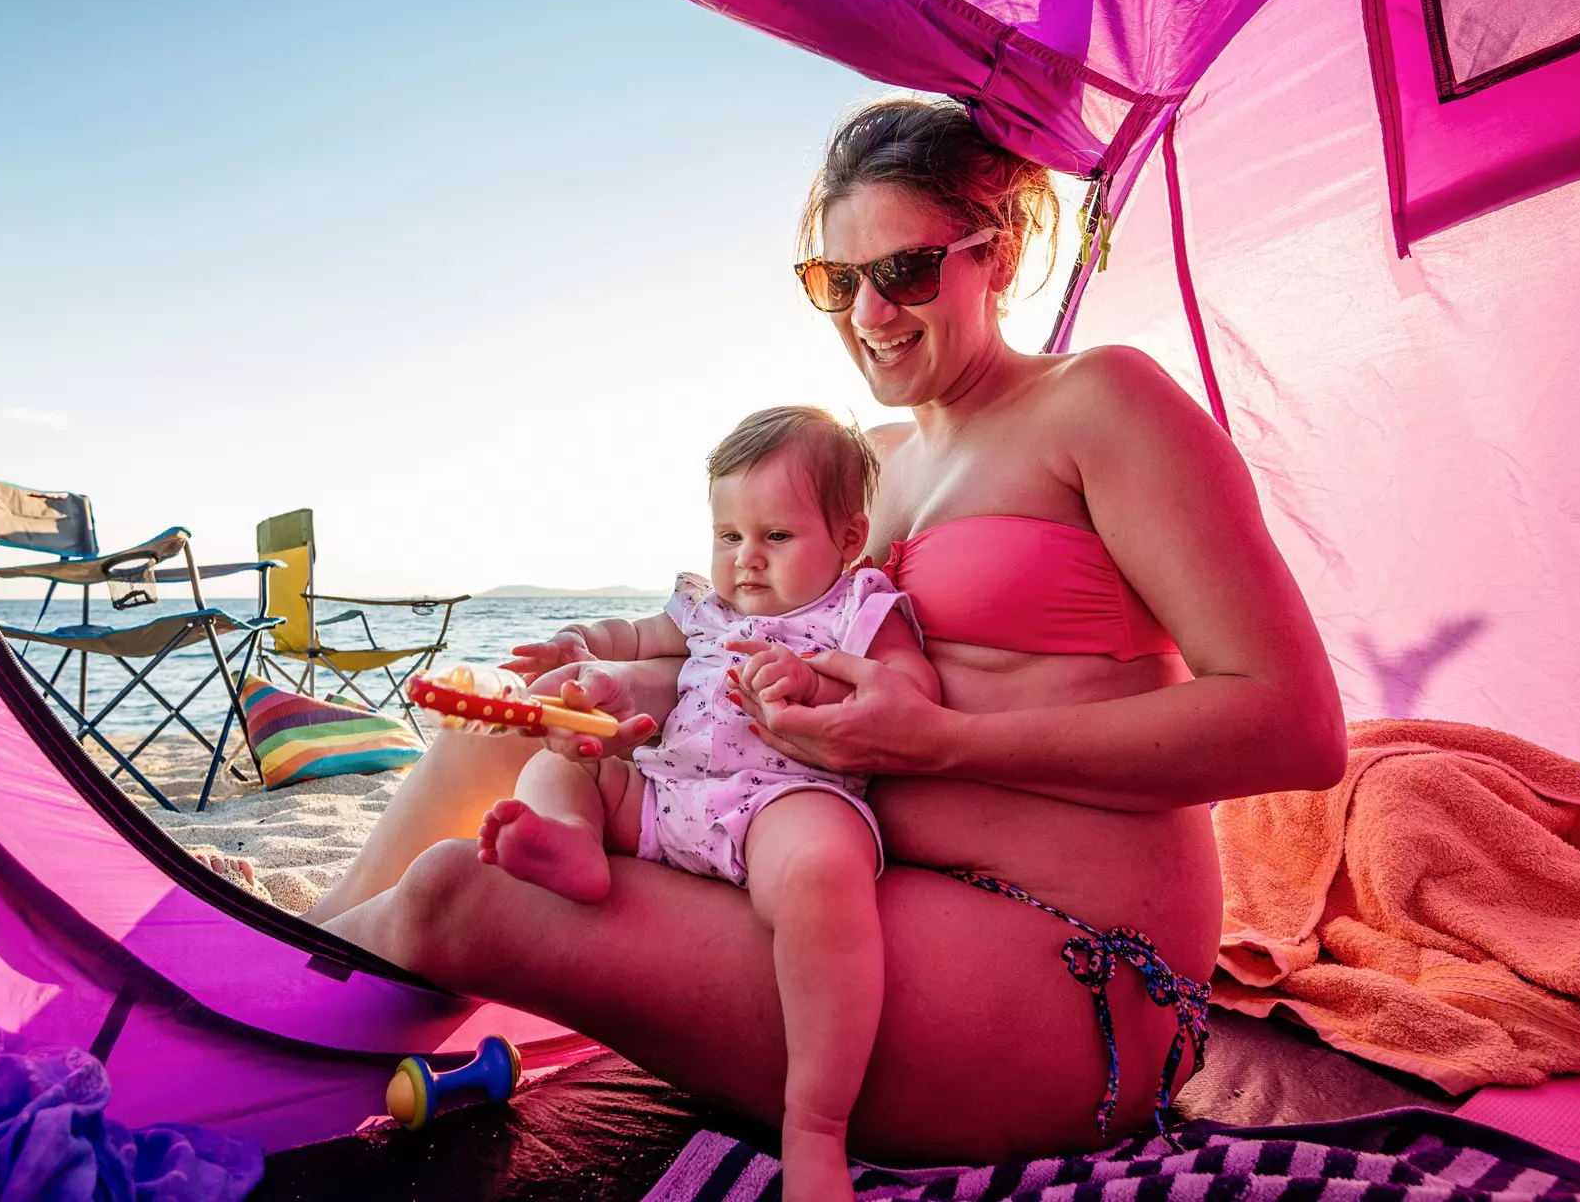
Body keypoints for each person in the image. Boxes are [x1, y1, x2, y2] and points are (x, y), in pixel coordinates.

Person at [317, 97, 1346, 1168]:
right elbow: (748, 649)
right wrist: (638, 690)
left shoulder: (1098, 402)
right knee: (505, 729)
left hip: (1071, 971)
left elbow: (1294, 727)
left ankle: (230, 1043)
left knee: (455, 897)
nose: (869, 313)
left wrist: (941, 748)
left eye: (904, 270)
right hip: (852, 894)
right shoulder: (868, 467)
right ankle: (275, 977)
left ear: (997, 252)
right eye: (834, 281)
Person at [484, 405, 937, 1198]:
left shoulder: (857, 608)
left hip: (787, 799)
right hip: (669, 795)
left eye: (775, 537)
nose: (746, 561)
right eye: (729, 537)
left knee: (825, 872)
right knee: (568, 759)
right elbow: (633, 637)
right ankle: (570, 843)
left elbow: (909, 691)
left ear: (847, 539)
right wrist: (579, 648)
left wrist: (818, 682)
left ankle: (816, 1127)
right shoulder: (704, 608)